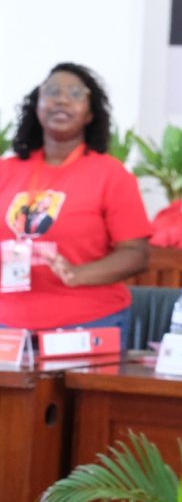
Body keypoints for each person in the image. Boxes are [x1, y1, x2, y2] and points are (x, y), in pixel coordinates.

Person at [0, 63, 150, 346]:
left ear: (90, 114)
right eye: (52, 92)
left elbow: (136, 254)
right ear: (36, 106)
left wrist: (79, 274)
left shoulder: (111, 175)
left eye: (75, 94)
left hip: (87, 322)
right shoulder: (5, 171)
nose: (62, 100)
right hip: (7, 326)